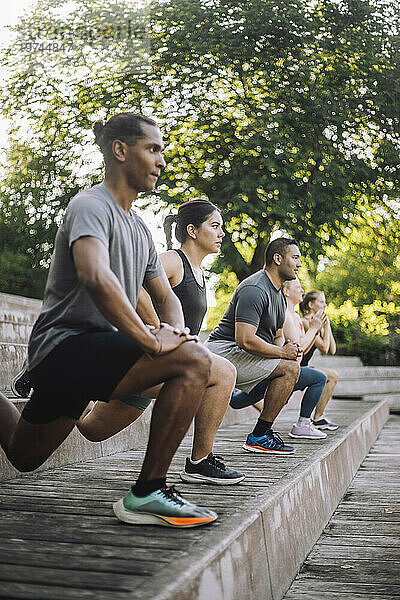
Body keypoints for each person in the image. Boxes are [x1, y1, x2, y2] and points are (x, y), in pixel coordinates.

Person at [0, 112, 220, 528]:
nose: (161, 161)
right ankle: (148, 491)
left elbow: (165, 295)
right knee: (195, 362)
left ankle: (149, 489)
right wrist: (153, 342)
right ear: (120, 150)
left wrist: (175, 330)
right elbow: (95, 276)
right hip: (64, 348)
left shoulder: (139, 228)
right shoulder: (90, 205)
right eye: (153, 149)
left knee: (23, 456)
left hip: (97, 354)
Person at [77, 199, 244, 485]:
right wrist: (158, 329)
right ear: (192, 230)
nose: (221, 233)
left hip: (162, 362)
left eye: (222, 227)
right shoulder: (172, 260)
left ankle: (64, 381)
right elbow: (133, 282)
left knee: (92, 429)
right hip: (146, 355)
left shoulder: (200, 273)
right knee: (224, 372)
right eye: (215, 226)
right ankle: (200, 462)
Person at [206, 237, 303, 455]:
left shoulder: (278, 294)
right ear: (278, 258)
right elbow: (245, 339)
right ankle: (260, 436)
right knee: (290, 370)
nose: (299, 264)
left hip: (242, 352)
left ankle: (257, 430)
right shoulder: (255, 288)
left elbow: (277, 335)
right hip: (223, 351)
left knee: (290, 368)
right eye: (295, 258)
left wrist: (288, 352)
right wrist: (282, 354)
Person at [282, 278, 328, 439]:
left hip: (293, 369)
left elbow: (303, 350)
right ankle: (302, 424)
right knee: (320, 377)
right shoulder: (286, 315)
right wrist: (315, 328)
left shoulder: (294, 317)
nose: (302, 291)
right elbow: (298, 348)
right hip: (282, 370)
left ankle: (303, 424)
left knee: (239, 401)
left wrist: (318, 329)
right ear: (286, 291)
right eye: (298, 288)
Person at [299, 290, 339, 430]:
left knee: (333, 376)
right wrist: (324, 326)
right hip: (296, 367)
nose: (325, 305)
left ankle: (318, 418)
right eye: (321, 302)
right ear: (311, 304)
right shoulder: (305, 322)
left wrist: (327, 326)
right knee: (240, 401)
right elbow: (323, 347)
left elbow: (332, 350)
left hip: (305, 367)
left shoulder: (318, 323)